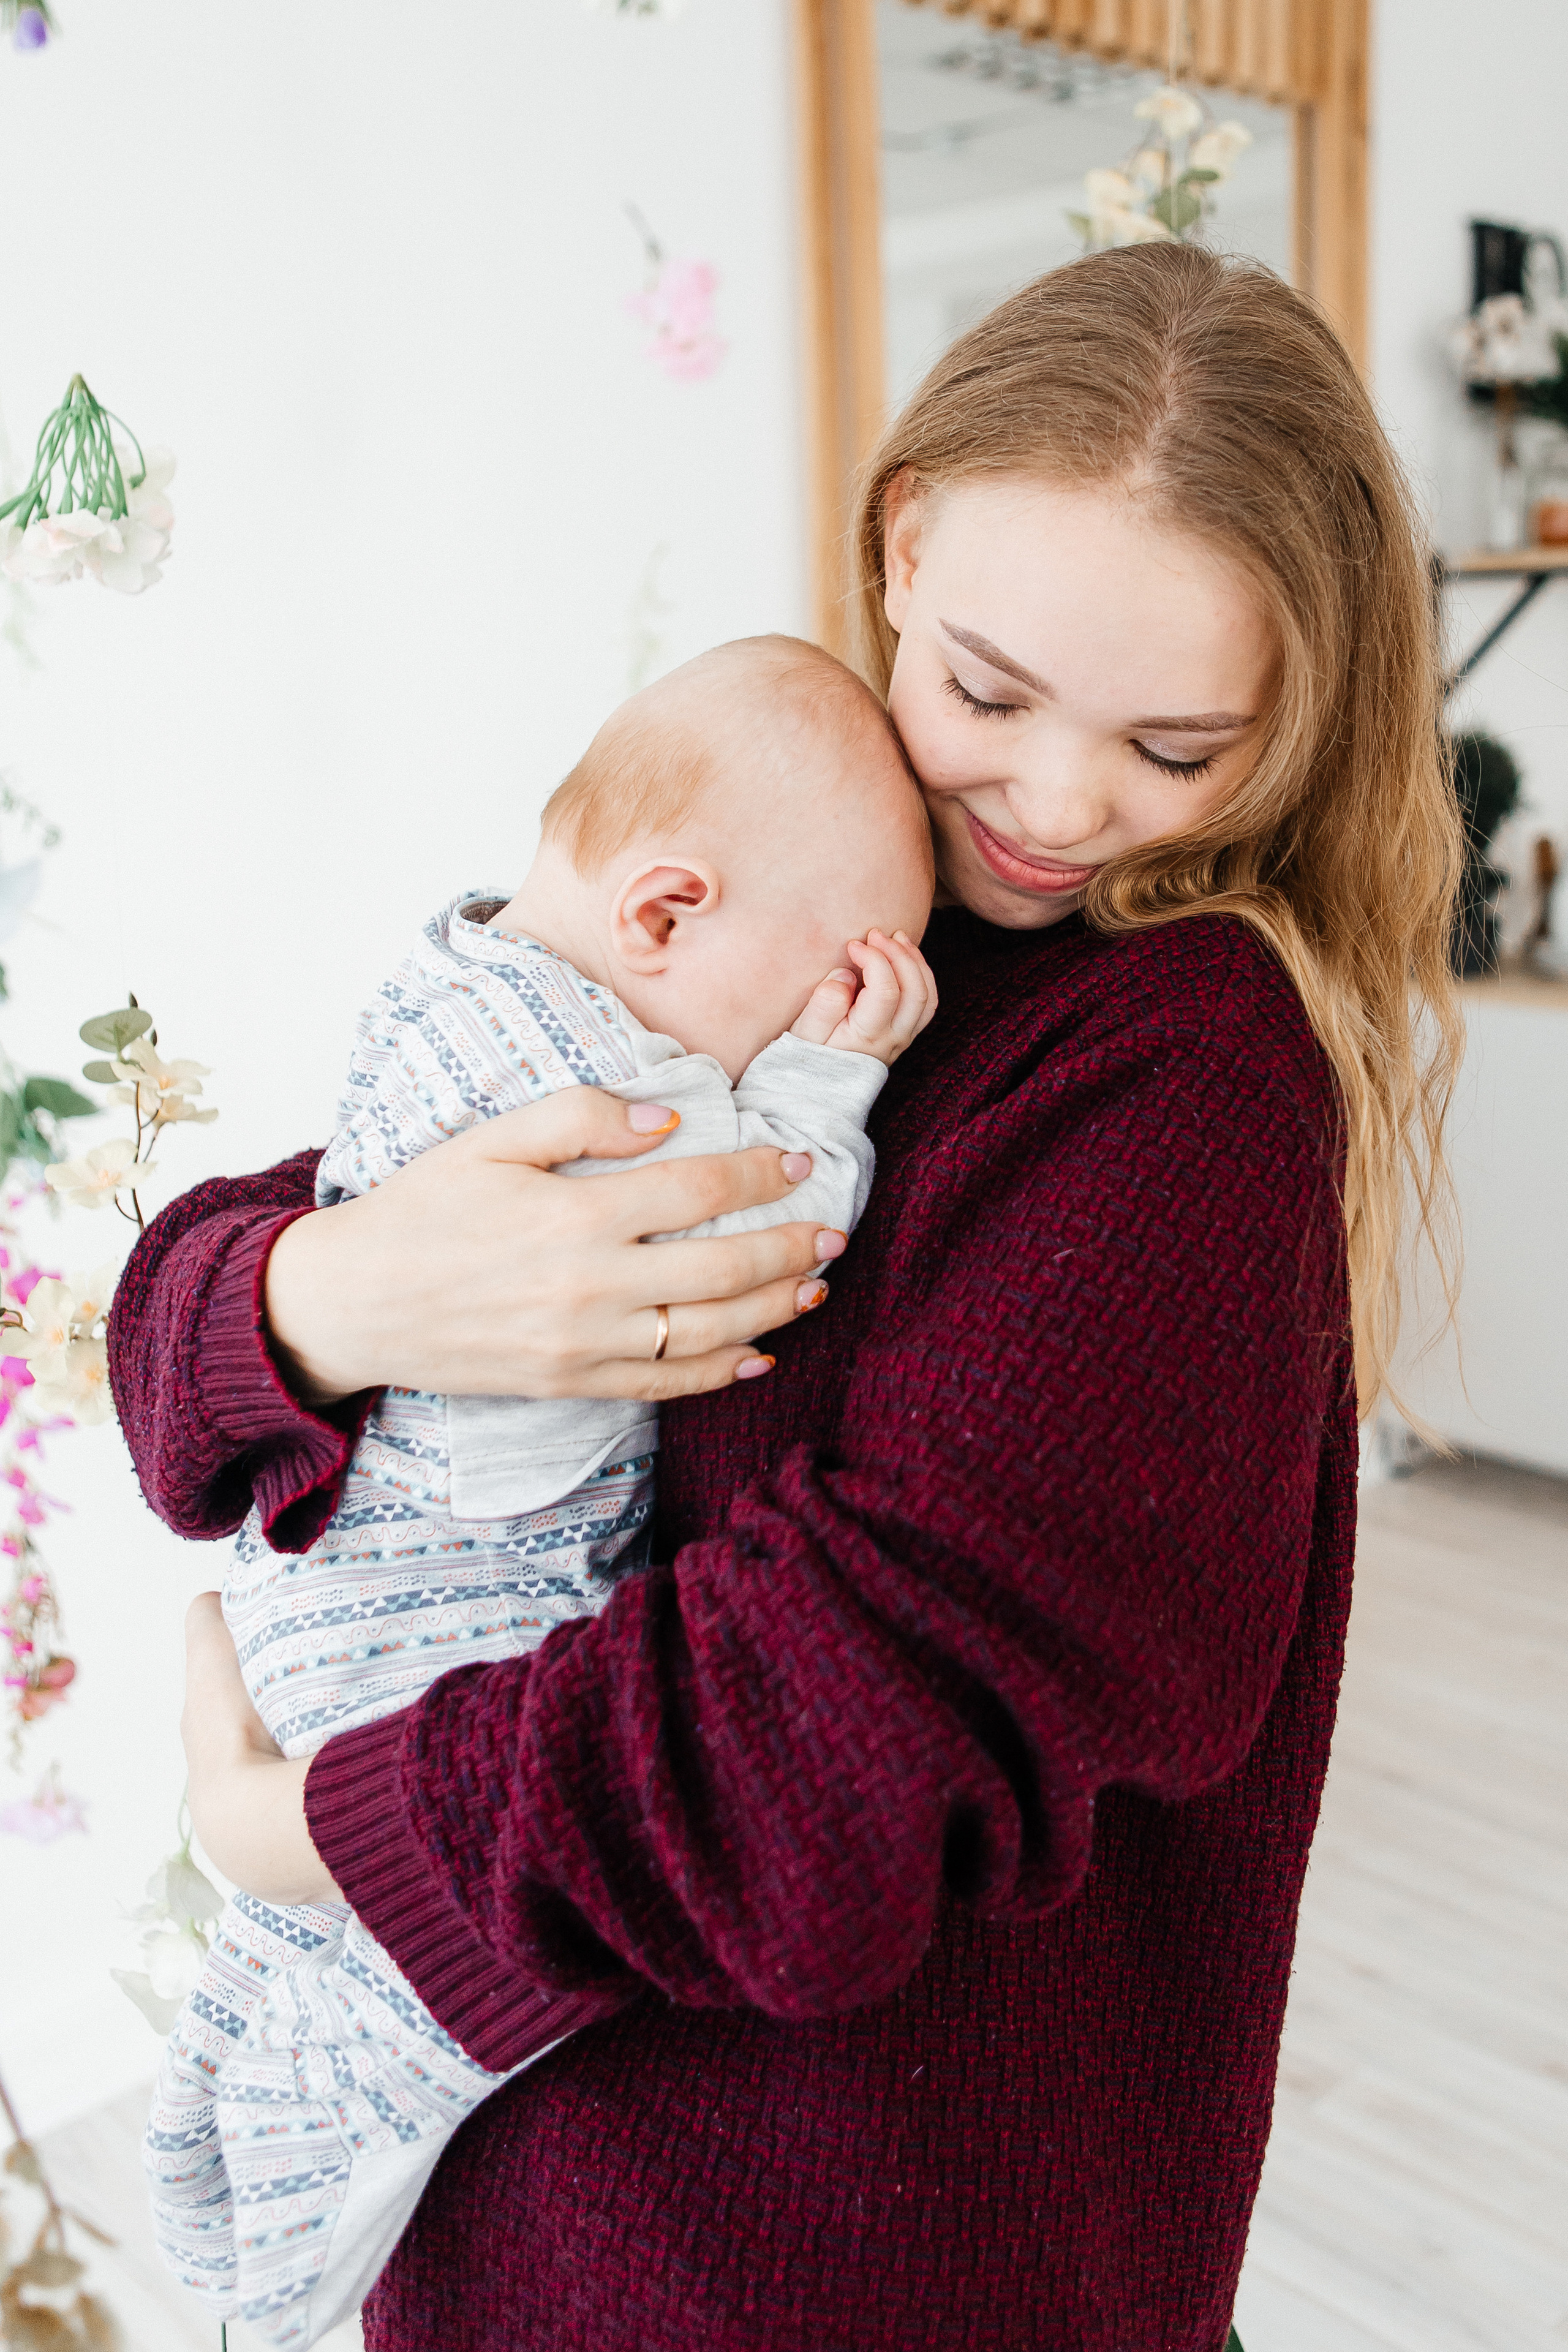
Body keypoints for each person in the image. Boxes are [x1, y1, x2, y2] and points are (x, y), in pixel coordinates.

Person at [111, 245, 1461, 2352]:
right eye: (993, 697)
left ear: (1302, 710)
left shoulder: (1181, 1074)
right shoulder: (785, 899)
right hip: (523, 2232)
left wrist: (313, 1838)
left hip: (852, 2277)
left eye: (1179, 745)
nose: (1060, 807)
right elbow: (194, 1341)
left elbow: (832, 1741)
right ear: (905, 544)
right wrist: (327, 1293)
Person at [142, 637, 937, 2351]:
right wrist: (833, 1080)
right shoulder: (604, 1087)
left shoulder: (451, 983)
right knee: (410, 1989)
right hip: (423, 1597)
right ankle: (291, 2185)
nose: (843, 1005)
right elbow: (763, 1232)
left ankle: (260, 2082)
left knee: (327, 1944)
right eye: (822, 983)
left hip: (329, 1574)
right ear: (663, 918)